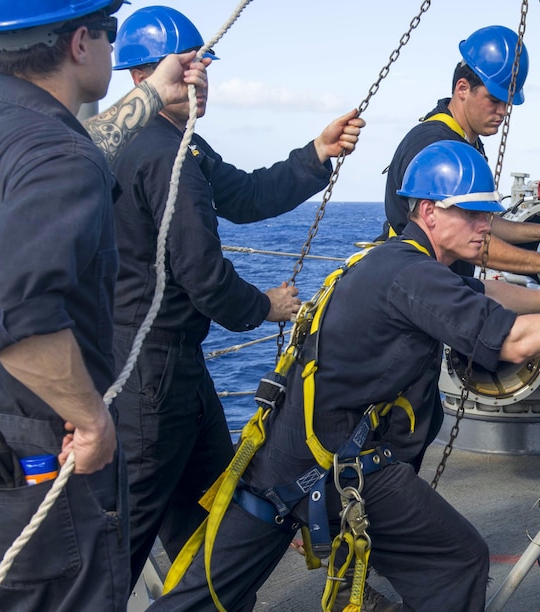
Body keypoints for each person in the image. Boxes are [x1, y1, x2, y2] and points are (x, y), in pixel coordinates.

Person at [150, 140, 540, 611]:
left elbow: (487, 298)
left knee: (206, 596)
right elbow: (515, 341)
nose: (487, 224)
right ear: (430, 212)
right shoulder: (413, 275)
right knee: (457, 560)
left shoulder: (395, 257)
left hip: (283, 462)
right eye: (472, 212)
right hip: (336, 467)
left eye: (489, 212)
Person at [108, 5, 365, 584]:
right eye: (191, 66)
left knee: (209, 526)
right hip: (151, 379)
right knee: (123, 544)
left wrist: (316, 153)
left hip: (170, 372)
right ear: (149, 75)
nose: (201, 78)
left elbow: (247, 196)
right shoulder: (163, 154)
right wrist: (265, 307)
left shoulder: (179, 144)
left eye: (204, 66)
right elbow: (203, 275)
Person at [0, 1, 208, 609]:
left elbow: (72, 141)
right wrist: (90, 419)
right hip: (37, 452)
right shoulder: (60, 156)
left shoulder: (28, 136)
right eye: (109, 31)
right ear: (81, 42)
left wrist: (152, 93)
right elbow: (21, 314)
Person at [383, 25, 540, 276]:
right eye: (494, 100)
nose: (502, 112)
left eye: (507, 103)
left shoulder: (462, 141)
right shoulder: (435, 145)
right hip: (416, 283)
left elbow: (477, 223)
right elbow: (464, 238)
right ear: (463, 88)